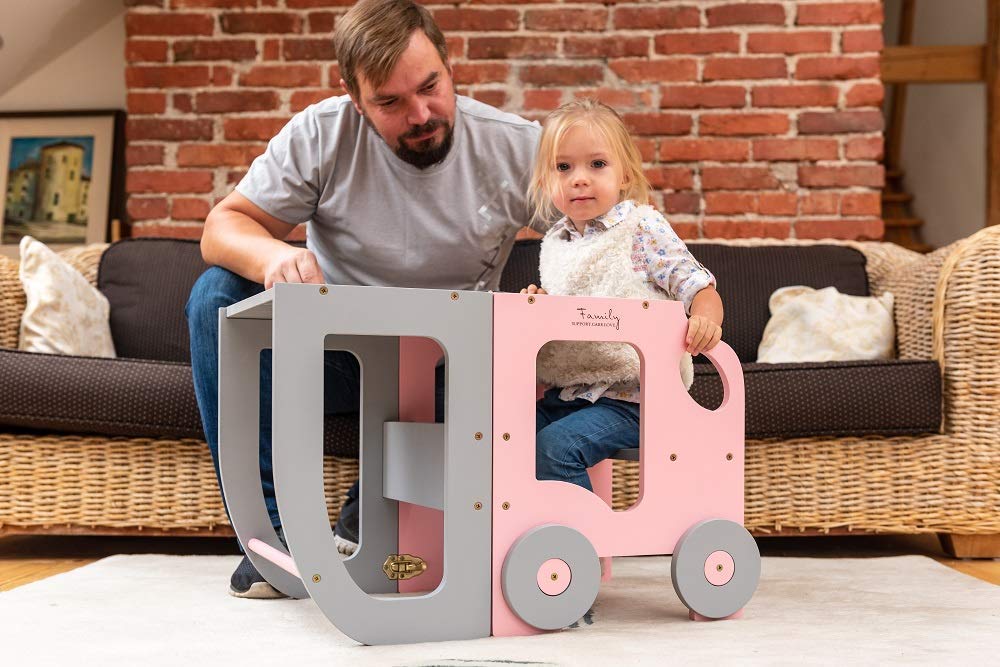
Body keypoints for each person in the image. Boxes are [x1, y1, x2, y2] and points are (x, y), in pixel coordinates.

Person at [185, 0, 539, 598]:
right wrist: (273, 258)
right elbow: (222, 227)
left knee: (504, 355)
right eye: (391, 103)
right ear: (354, 96)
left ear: (451, 66)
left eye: (430, 87)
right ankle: (274, 541)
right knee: (215, 295)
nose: (421, 114)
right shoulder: (321, 133)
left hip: (447, 370)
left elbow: (614, 227)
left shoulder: (516, 148)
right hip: (331, 358)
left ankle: (362, 522)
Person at [521, 99, 723, 491]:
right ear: (545, 182)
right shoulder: (554, 244)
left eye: (597, 164)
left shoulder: (640, 227)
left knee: (554, 449)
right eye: (563, 167)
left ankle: (574, 548)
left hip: (637, 400)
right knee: (497, 440)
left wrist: (706, 319)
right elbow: (567, 315)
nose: (579, 178)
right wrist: (536, 304)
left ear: (625, 174)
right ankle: (521, 536)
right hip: (568, 394)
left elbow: (699, 286)